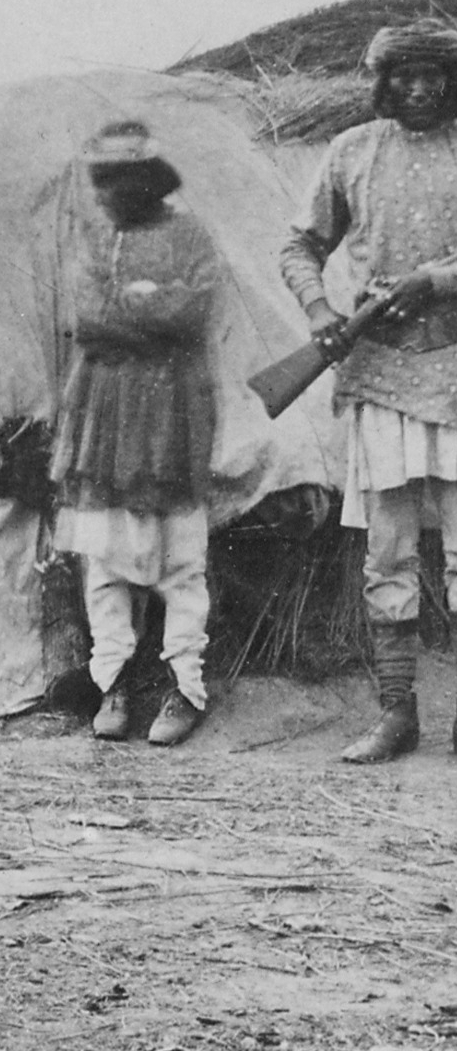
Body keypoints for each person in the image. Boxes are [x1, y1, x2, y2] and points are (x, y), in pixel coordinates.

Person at [280, 18, 457, 766]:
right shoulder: (351, 153)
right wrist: (322, 312)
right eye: (404, 75)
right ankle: (396, 713)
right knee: (388, 553)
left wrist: (445, 280)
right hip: (381, 375)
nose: (420, 88)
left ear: (453, 81)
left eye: (434, 74)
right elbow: (298, 244)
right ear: (384, 82)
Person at [51, 121, 218, 746]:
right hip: (106, 412)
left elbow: (196, 309)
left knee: (179, 560)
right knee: (106, 557)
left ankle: (185, 686)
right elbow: (89, 319)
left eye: (129, 177)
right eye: (107, 179)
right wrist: (151, 307)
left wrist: (137, 307)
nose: (117, 191)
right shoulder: (96, 242)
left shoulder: (189, 235)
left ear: (152, 179)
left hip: (173, 410)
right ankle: (114, 681)